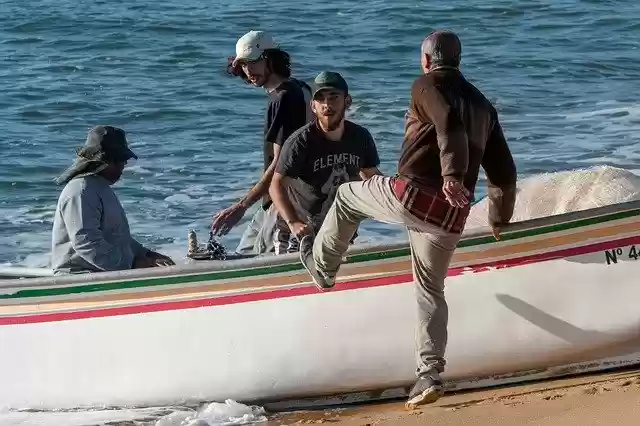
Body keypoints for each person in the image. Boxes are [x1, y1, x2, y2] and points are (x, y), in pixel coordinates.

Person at [298, 31, 517, 408]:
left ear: (428, 61)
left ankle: (322, 267)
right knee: (430, 289)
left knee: (348, 195)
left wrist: (450, 175)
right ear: (458, 61)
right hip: (451, 215)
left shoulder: (425, 85)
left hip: (415, 196)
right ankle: (428, 375)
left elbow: (447, 121)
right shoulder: (484, 106)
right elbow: (504, 173)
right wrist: (499, 217)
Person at [213, 30, 313, 255]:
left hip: (287, 199)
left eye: (252, 62)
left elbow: (280, 163)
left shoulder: (284, 98)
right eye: (243, 65)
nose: (248, 71)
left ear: (270, 58)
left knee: (258, 261)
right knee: (243, 254)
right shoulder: (300, 88)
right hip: (278, 198)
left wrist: (241, 206)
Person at [269, 71, 381, 254]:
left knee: (337, 278)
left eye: (334, 97)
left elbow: (372, 177)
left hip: (339, 230)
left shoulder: (360, 137)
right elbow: (276, 186)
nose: (327, 105)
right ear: (313, 106)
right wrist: (294, 223)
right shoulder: (301, 141)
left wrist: (399, 193)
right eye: (320, 99)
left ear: (347, 101)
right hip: (298, 233)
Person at [51, 125, 175, 275]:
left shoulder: (100, 188)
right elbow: (86, 243)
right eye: (121, 159)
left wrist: (146, 254)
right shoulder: (81, 191)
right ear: (105, 161)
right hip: (79, 275)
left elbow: (119, 238)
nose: (125, 164)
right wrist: (132, 264)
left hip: (105, 272)